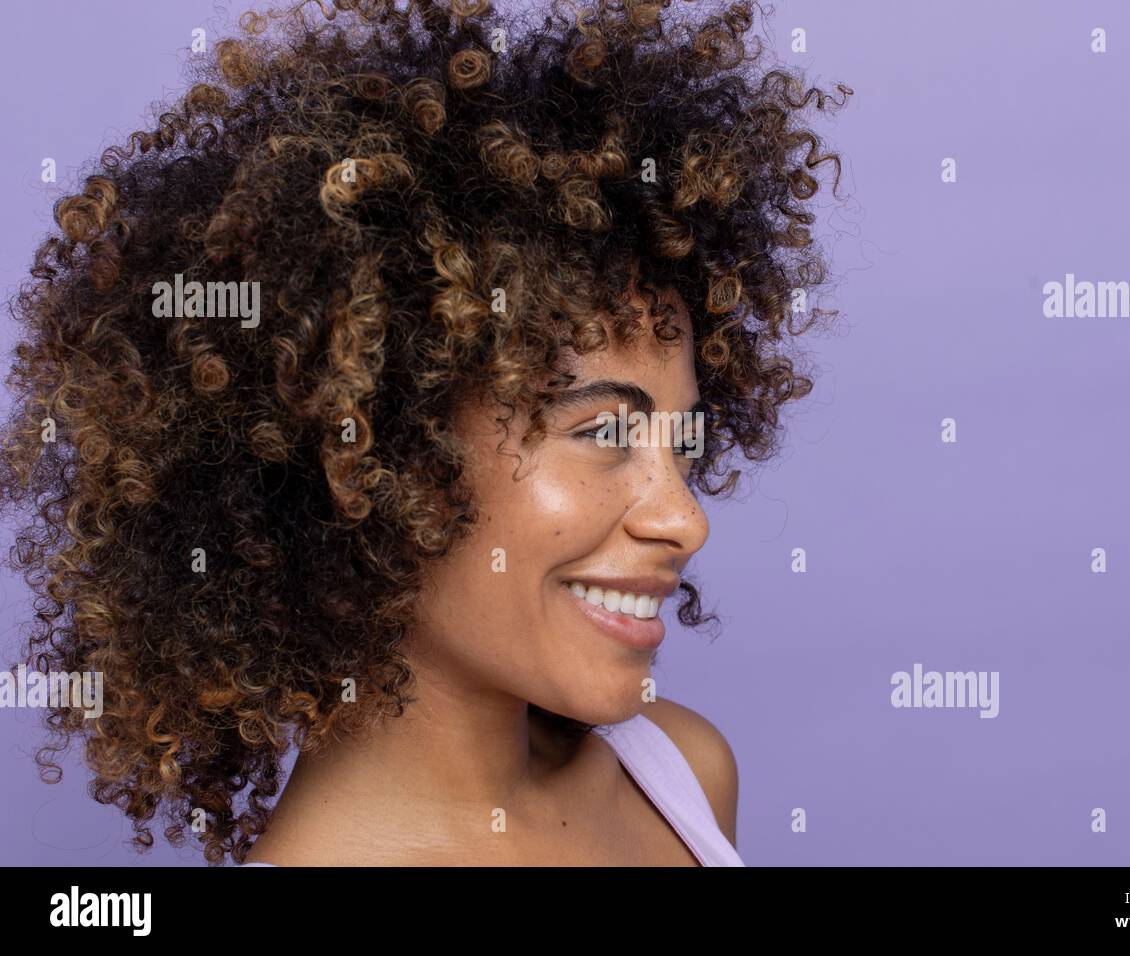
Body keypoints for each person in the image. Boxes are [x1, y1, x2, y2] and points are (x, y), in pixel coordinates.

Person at [0, 0, 848, 866]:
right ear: (375, 457)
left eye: (682, 440)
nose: (684, 519)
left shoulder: (679, 775)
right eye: (603, 433)